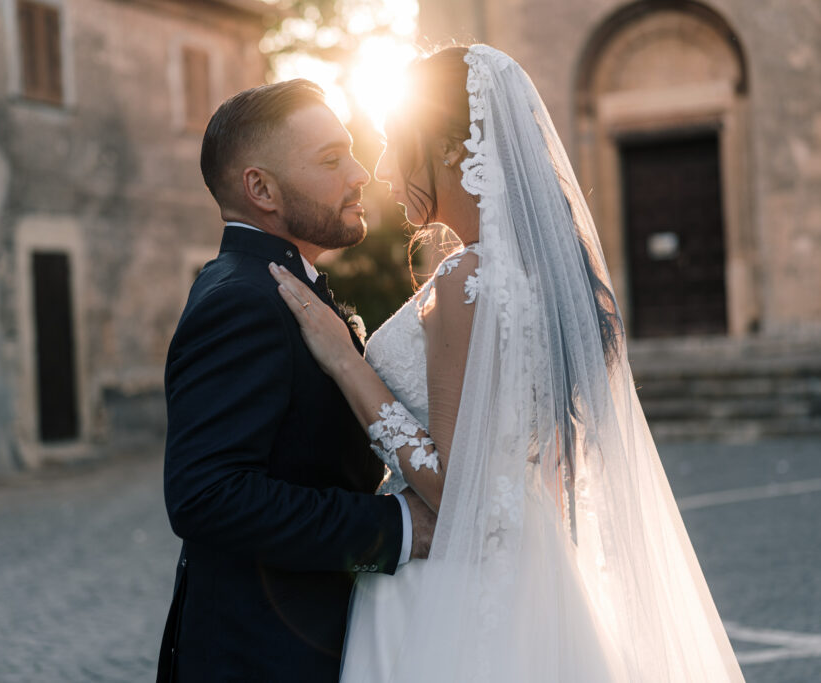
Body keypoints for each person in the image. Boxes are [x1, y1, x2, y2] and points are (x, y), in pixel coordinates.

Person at [270, 45, 746, 681]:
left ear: (447, 149)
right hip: (531, 560)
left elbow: (456, 486)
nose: (381, 169)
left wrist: (343, 360)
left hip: (451, 584)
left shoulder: (468, 277)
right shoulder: (539, 275)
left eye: (392, 141)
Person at [157, 78, 436, 683]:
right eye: (332, 160)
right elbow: (206, 494)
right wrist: (398, 527)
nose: (361, 173)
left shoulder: (284, 284)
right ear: (260, 187)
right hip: (262, 657)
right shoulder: (243, 299)